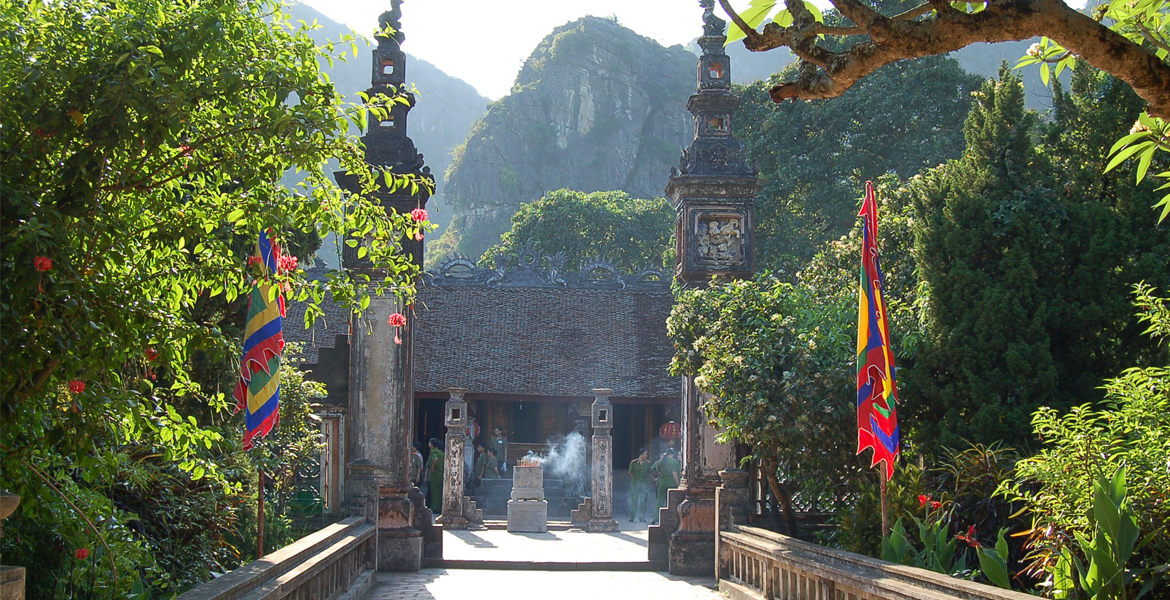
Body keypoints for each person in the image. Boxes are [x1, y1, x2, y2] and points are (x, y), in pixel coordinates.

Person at [650, 448, 680, 525]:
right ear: (671, 455)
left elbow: (659, 473)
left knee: (659, 501)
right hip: (672, 483)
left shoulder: (660, 462)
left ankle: (655, 518)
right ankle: (671, 518)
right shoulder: (674, 462)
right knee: (672, 502)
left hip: (662, 483)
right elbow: (674, 474)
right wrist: (678, 484)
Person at [628, 448, 652, 522]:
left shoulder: (647, 463)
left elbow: (649, 472)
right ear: (641, 454)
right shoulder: (634, 463)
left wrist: (653, 479)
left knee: (643, 501)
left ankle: (642, 517)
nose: (646, 456)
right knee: (634, 500)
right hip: (635, 484)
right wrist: (636, 478)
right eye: (645, 454)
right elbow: (630, 472)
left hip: (644, 484)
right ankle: (632, 517)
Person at [424, 438, 444, 514]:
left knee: (434, 491)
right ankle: (439, 507)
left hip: (435, 474)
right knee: (439, 491)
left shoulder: (433, 452)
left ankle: (435, 507)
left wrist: (432, 466)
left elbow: (435, 459)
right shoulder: (441, 453)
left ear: (431, 444)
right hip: (440, 473)